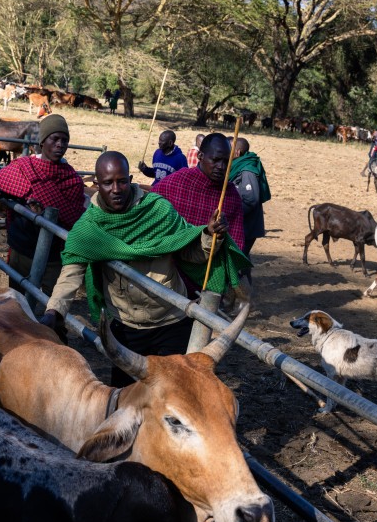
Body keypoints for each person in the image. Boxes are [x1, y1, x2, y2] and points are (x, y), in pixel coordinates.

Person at [40, 151, 251, 387]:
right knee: (128, 398)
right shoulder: (89, 228)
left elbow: (189, 252)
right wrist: (54, 311)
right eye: (108, 183)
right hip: (125, 326)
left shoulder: (158, 211)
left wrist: (209, 237)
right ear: (97, 184)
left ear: (130, 179)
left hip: (171, 320)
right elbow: (70, 275)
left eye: (122, 181)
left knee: (174, 393)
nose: (116, 189)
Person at [0, 114, 86, 294]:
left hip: (55, 255)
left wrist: (44, 213)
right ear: (42, 141)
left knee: (51, 304)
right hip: (22, 249)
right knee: (18, 301)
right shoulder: (22, 168)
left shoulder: (72, 180)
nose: (60, 144)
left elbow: (75, 219)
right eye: (55, 139)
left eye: (64, 140)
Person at [151, 133, 246, 253]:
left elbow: (236, 243)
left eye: (226, 162)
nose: (221, 167)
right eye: (215, 160)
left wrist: (221, 236)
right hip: (170, 261)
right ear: (200, 156)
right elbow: (149, 223)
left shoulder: (231, 195)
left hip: (211, 266)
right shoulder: (174, 183)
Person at [229, 137, 270, 257]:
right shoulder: (236, 166)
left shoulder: (247, 170)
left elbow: (251, 199)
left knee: (238, 259)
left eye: (229, 149)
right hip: (240, 224)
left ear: (237, 152)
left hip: (246, 225)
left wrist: (231, 214)